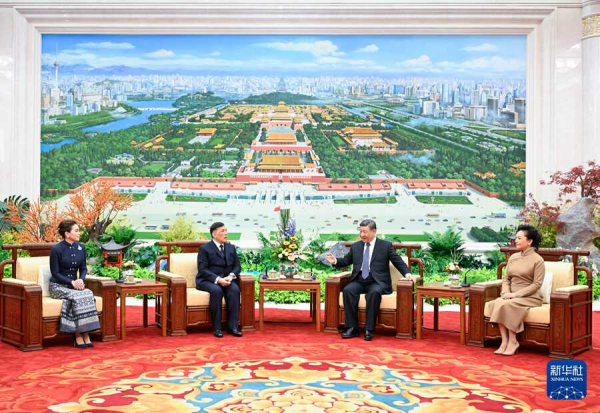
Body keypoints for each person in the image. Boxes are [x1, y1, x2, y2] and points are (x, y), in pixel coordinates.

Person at [326, 219, 417, 341]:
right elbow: (346, 261)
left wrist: (407, 273)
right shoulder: (356, 246)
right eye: (361, 231)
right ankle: (352, 328)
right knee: (348, 290)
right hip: (359, 280)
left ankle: (369, 329)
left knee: (374, 293)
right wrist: (335, 261)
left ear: (374, 231)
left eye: (365, 232)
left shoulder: (385, 246)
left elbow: (397, 261)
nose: (362, 234)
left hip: (377, 281)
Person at [486, 224, 545, 356]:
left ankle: (513, 341)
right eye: (515, 238)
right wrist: (505, 292)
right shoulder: (513, 257)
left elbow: (537, 284)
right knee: (497, 302)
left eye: (519, 238)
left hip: (531, 296)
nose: (516, 241)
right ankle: (504, 341)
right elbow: (506, 278)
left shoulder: (538, 260)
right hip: (510, 294)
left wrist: (515, 295)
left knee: (506, 304)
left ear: (529, 241)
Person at [49, 220, 100, 348]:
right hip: (58, 286)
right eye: (76, 231)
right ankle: (78, 334)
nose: (79, 233)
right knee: (78, 296)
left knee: (88, 293)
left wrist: (81, 280)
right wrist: (72, 282)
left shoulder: (81, 247)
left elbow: (83, 268)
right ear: (67, 234)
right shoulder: (56, 249)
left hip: (74, 286)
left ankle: (86, 333)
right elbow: (55, 273)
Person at [196, 222, 243, 338]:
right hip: (208, 280)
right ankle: (217, 328)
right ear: (214, 234)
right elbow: (202, 269)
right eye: (222, 231)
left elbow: (237, 266)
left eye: (226, 231)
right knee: (217, 291)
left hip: (227, 279)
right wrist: (218, 279)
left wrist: (231, 276)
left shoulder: (230, 247)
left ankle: (233, 327)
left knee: (234, 290)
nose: (226, 233)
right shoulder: (205, 248)